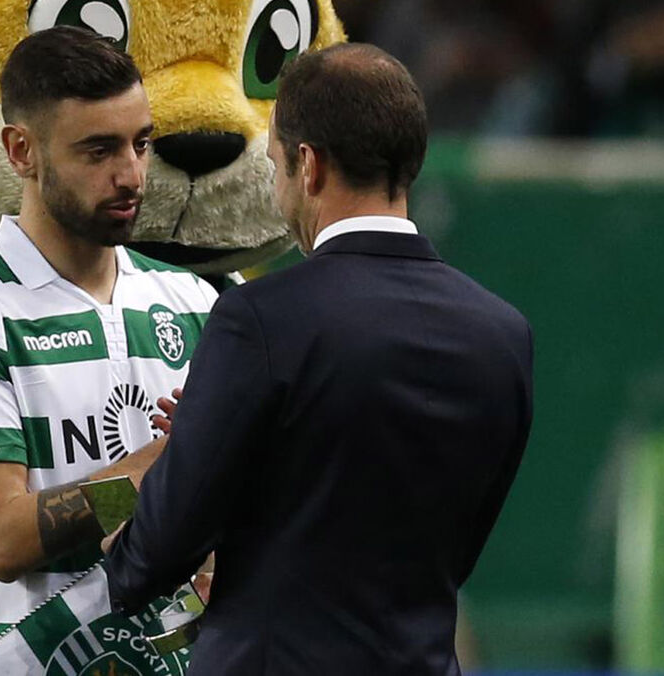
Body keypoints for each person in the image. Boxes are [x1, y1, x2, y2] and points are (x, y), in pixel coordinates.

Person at [102, 43, 534, 675]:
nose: (277, 189)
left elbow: (149, 561)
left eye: (274, 165)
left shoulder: (260, 320)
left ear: (308, 165)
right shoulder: (504, 334)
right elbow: (453, 553)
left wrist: (175, 460)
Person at [0, 27, 218, 676]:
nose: (131, 175)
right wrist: (153, 472)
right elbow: (1, 539)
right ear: (21, 151)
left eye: (141, 144)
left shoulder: (193, 301)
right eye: (99, 150)